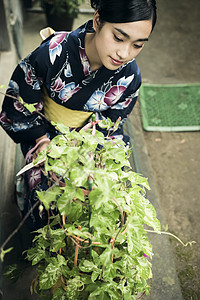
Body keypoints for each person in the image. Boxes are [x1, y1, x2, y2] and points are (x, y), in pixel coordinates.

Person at [0, 0, 157, 230]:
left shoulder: (130, 75)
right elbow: (20, 101)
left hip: (94, 135)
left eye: (138, 45)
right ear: (97, 21)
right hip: (46, 132)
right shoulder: (53, 53)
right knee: (49, 196)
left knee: (112, 193)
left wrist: (92, 141)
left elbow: (117, 115)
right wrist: (42, 141)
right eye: (118, 38)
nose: (125, 53)